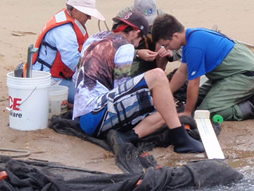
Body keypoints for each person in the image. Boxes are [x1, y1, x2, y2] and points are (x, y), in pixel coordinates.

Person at [73, 11, 204, 154]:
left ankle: (128, 136)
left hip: (82, 114)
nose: (138, 44)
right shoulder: (125, 47)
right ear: (136, 33)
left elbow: (77, 76)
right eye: (140, 39)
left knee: (166, 109)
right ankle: (181, 139)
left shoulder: (95, 38)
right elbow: (120, 88)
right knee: (158, 78)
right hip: (96, 116)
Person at [152, 14, 254, 121]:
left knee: (205, 113)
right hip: (230, 74)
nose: (167, 49)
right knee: (194, 99)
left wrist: (187, 112)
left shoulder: (194, 46)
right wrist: (164, 95)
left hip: (245, 75)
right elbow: (182, 73)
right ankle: (241, 96)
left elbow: (194, 83)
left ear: (175, 35)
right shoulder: (190, 37)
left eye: (167, 45)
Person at [32, 0, 105, 104]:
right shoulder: (65, 32)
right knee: (92, 97)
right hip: (50, 80)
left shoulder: (68, 18)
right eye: (87, 14)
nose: (90, 18)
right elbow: (73, 62)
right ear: (75, 10)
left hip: (59, 76)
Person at [117, 0, 181, 76]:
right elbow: (116, 49)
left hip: (155, 59)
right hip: (131, 60)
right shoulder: (123, 19)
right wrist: (137, 53)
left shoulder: (165, 20)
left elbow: (182, 45)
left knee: (164, 41)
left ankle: (159, 74)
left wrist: (171, 53)